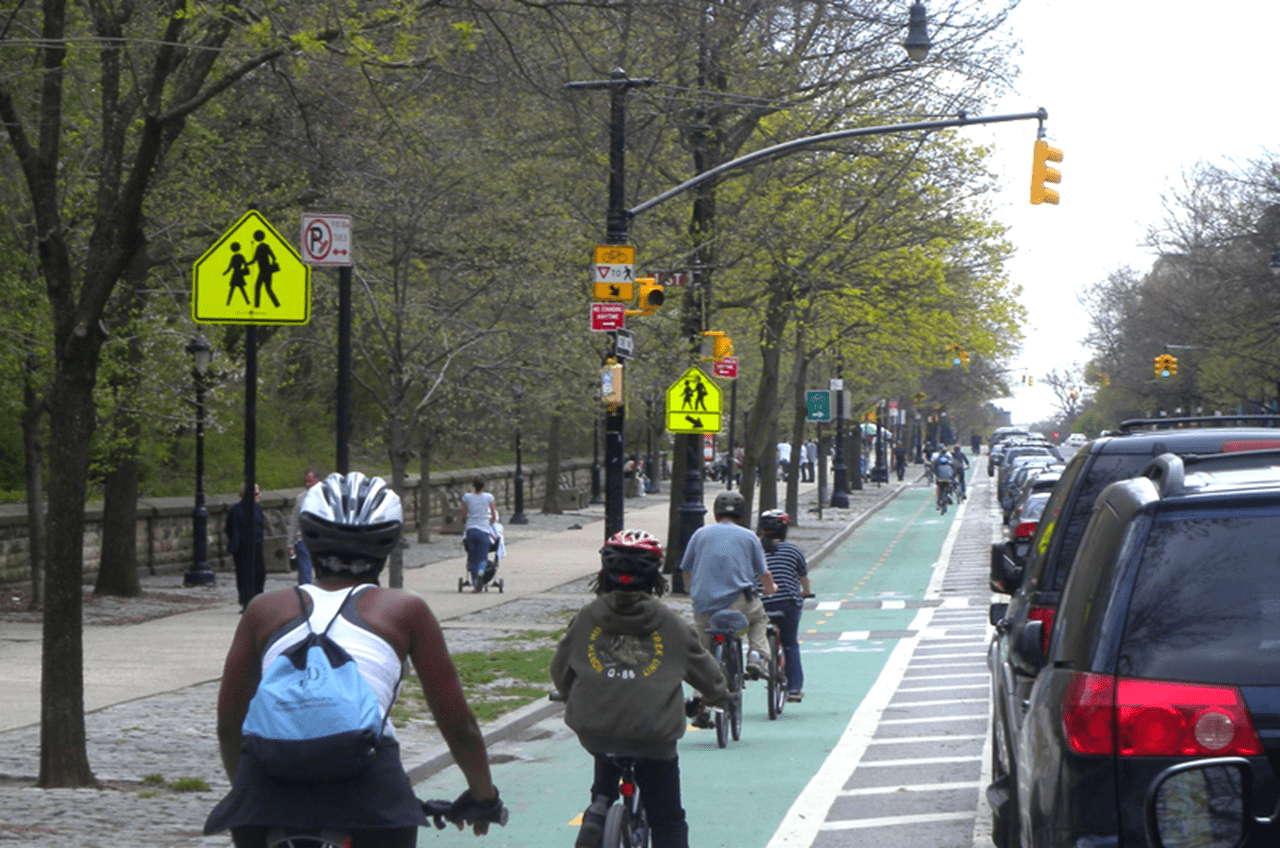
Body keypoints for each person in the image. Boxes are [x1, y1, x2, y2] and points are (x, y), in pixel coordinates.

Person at [205, 472, 503, 846]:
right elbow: (458, 725)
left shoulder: (264, 609)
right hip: (369, 790)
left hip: (266, 792)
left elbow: (229, 725)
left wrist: (247, 792)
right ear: (388, 542)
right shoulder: (405, 610)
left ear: (310, 536)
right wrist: (483, 796)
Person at [552, 529, 728, 848]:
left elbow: (560, 669)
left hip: (596, 727)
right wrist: (718, 696)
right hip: (653, 734)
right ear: (654, 578)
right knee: (668, 819)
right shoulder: (670, 624)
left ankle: (598, 812)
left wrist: (567, 693)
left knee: (606, 745)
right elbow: (709, 675)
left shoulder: (587, 618)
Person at [679, 490, 778, 679]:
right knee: (759, 619)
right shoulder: (749, 537)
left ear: (715, 514)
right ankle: (756, 654)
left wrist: (689, 590)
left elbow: (686, 569)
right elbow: (763, 573)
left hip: (705, 603)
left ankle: (702, 687)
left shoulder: (699, 534)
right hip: (739, 602)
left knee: (704, 646)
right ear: (741, 516)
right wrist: (770, 588)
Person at [756, 510, 811, 703]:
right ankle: (794, 688)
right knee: (790, 644)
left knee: (757, 634)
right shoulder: (793, 551)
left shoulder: (756, 551)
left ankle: (758, 658)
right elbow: (803, 578)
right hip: (788, 603)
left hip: (761, 602)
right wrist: (805, 592)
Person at [224, 482, 265, 612]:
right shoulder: (236, 510)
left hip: (257, 545)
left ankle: (257, 599)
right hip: (242, 548)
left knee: (260, 573)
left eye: (258, 493)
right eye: (256, 493)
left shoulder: (258, 509)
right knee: (244, 575)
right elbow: (229, 528)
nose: (258, 496)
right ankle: (247, 601)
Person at [461, 477, 497, 592]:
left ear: (473, 485)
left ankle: (475, 581)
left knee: (472, 557)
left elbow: (464, 514)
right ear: (483, 486)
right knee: (482, 556)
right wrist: (489, 522)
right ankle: (481, 571)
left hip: (471, 530)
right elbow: (493, 515)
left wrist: (465, 521)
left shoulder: (467, 497)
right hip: (483, 530)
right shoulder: (488, 497)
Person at [285, 469, 320, 585]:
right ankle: (305, 591)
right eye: (305, 482)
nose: (307, 485)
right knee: (304, 573)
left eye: (310, 481)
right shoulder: (300, 498)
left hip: (321, 538)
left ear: (317, 481)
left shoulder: (326, 496)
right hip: (303, 538)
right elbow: (294, 521)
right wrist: (290, 542)